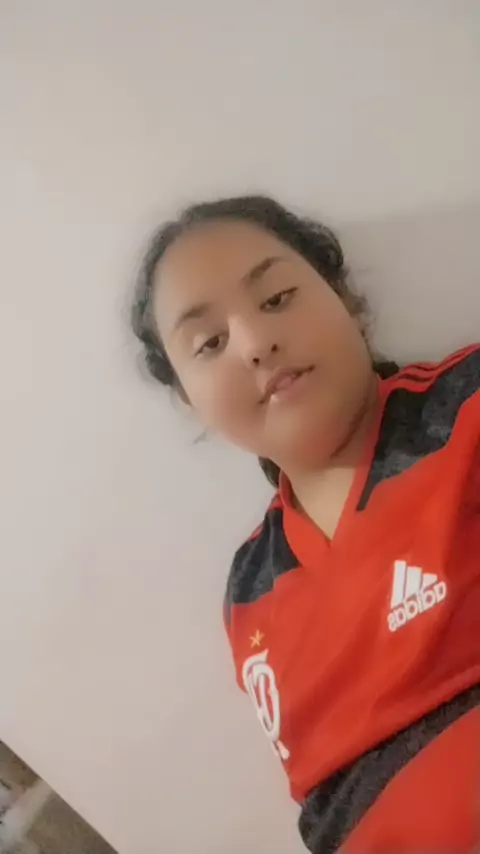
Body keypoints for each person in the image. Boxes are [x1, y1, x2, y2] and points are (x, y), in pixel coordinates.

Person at [131, 195, 480, 853]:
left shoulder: (465, 411)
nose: (255, 343)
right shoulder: (249, 593)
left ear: (341, 297)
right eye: (209, 343)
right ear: (189, 399)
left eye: (277, 299)